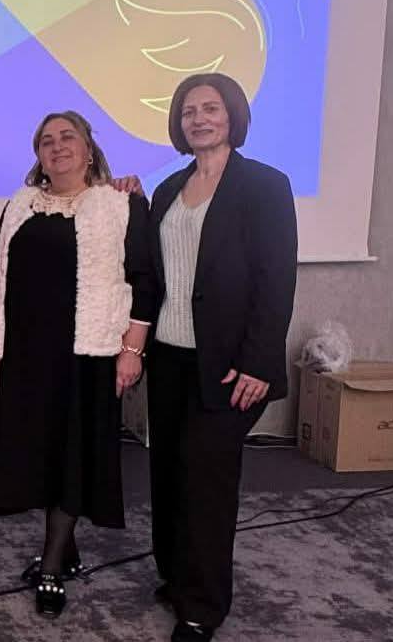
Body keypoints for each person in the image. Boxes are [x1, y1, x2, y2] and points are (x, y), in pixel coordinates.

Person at [0, 111, 153, 617]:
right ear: (38, 155)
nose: (57, 147)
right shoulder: (19, 205)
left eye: (67, 137)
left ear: (89, 148)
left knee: (74, 454)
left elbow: (144, 281)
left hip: (88, 355)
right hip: (29, 356)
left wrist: (132, 351)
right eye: (47, 141)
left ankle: (53, 564)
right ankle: (67, 546)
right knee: (42, 453)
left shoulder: (120, 203)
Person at [147, 73, 297, 642]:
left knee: (207, 481)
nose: (199, 119)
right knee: (167, 473)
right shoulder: (168, 189)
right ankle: (176, 575)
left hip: (232, 366)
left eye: (210, 108)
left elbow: (275, 280)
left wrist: (259, 361)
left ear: (232, 114)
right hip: (169, 356)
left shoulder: (265, 186)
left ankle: (202, 606)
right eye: (189, 111)